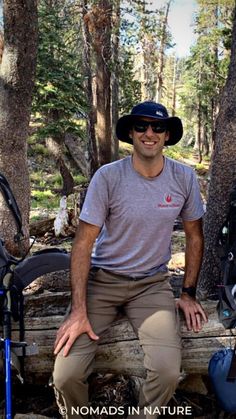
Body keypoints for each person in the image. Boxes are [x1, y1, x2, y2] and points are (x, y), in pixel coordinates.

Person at [53, 101, 208, 419]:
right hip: (103, 282)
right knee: (65, 375)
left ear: (167, 136)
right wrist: (78, 310)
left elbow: (195, 236)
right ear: (131, 133)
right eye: (141, 126)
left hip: (151, 287)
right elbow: (83, 244)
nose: (149, 133)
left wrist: (188, 293)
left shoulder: (184, 178)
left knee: (166, 372)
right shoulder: (108, 178)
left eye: (158, 127)